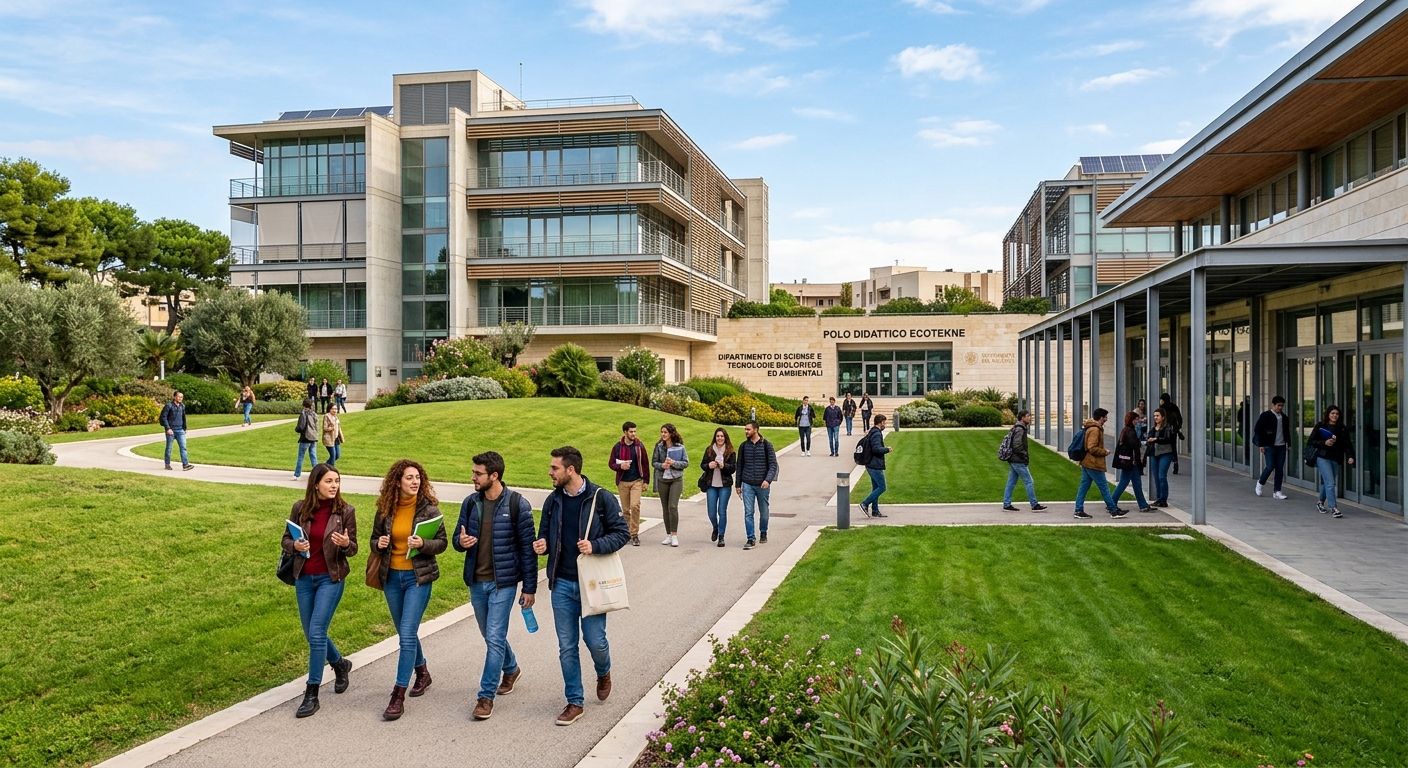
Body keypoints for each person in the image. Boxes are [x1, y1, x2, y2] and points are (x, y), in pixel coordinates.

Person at [531, 446, 630, 726]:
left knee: (595, 641)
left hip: (592, 584)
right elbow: (545, 533)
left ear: (570, 470)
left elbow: (622, 533)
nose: (550, 472)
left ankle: (604, 671)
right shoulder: (553, 501)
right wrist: (543, 545)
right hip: (561, 584)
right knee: (566, 646)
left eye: (554, 468)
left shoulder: (600, 498)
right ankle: (575, 701)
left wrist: (595, 545)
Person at [452, 451, 536, 721]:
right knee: (490, 636)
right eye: (473, 472)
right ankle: (511, 668)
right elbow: (457, 537)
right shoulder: (470, 503)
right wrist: (460, 543)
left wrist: (530, 588)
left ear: (494, 476)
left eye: (478, 473)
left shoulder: (517, 504)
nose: (473, 477)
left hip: (504, 583)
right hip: (477, 581)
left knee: (495, 637)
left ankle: (485, 696)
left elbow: (528, 550)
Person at [369, 459, 447, 720]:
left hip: (418, 579)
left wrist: (423, 542)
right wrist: (379, 543)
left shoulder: (429, 510)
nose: (415, 482)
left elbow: (442, 543)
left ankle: (397, 695)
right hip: (391, 577)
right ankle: (423, 672)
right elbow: (372, 541)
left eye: (417, 478)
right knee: (406, 632)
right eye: (409, 478)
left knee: (406, 635)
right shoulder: (385, 509)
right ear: (397, 482)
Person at [282, 463, 357, 718]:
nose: (334, 485)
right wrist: (295, 544)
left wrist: (346, 543)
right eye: (328, 481)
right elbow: (285, 539)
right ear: (316, 484)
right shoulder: (300, 508)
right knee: (312, 634)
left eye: (336, 481)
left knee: (316, 632)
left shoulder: (346, 511)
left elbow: (353, 548)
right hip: (304, 578)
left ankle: (311, 693)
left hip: (330, 578)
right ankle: (339, 664)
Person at [1074, 408, 1127, 520]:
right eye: (1105, 417)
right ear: (1101, 417)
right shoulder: (1095, 430)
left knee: (1083, 487)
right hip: (1093, 463)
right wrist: (1104, 452)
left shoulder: (1091, 427)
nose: (1107, 419)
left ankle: (1078, 510)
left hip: (1087, 462)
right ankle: (1113, 510)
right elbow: (1091, 447)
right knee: (1104, 488)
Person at [734, 421, 778, 550]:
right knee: (748, 512)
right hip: (747, 483)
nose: (746, 432)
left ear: (756, 430)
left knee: (764, 512)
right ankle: (750, 538)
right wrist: (738, 485)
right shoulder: (743, 446)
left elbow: (773, 465)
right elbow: (739, 466)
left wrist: (768, 480)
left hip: (762, 484)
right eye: (745, 429)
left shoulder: (766, 445)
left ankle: (763, 531)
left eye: (748, 429)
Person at [1308, 404, 1355, 518]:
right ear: (1328, 414)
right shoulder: (1321, 426)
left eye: (1337, 414)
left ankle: (1320, 502)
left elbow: (1347, 444)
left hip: (1335, 457)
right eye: (1332, 413)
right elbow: (1312, 441)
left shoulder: (1342, 428)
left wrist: (1350, 456)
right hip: (1322, 457)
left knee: (1327, 482)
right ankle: (1334, 508)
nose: (1335, 415)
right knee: (1330, 483)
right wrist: (1324, 443)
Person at [608, 421, 649, 547]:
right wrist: (621, 466)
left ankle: (634, 534)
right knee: (625, 510)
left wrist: (646, 481)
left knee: (635, 505)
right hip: (623, 481)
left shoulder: (639, 446)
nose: (633, 434)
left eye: (635, 431)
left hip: (637, 480)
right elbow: (611, 464)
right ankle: (626, 534)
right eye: (631, 431)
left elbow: (645, 464)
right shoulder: (618, 447)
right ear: (625, 432)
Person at [1000, 410, 1046, 512]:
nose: (1029, 418)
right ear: (1022, 418)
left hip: (1013, 459)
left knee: (1011, 482)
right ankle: (1034, 504)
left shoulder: (1017, 428)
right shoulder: (1020, 429)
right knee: (1029, 481)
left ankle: (1006, 504)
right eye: (1027, 416)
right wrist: (1024, 456)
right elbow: (1017, 445)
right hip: (1018, 460)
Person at [651, 423, 689, 547]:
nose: (663, 434)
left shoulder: (680, 447)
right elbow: (654, 462)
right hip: (663, 479)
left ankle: (674, 535)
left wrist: (674, 463)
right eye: (662, 432)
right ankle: (668, 534)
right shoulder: (659, 446)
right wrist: (662, 465)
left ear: (671, 433)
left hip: (676, 479)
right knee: (665, 508)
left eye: (665, 432)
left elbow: (685, 463)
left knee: (673, 506)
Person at [1111, 411, 1153, 513]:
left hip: (1130, 463)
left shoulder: (1127, 430)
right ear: (1132, 420)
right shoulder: (1130, 431)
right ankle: (1111, 503)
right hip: (1130, 462)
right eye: (1136, 419)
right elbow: (1135, 445)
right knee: (1123, 483)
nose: (1137, 421)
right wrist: (1143, 443)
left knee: (1137, 483)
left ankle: (1143, 505)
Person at [700, 427, 735, 548]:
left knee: (722, 511)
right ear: (715, 438)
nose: (720, 438)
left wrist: (723, 466)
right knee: (711, 512)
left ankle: (721, 536)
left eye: (722, 436)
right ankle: (715, 526)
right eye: (718, 436)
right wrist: (709, 465)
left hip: (724, 485)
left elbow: (732, 468)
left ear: (725, 438)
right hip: (711, 485)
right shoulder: (709, 450)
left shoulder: (730, 451)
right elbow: (702, 465)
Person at [1253, 396, 1291, 499]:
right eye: (1278, 405)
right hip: (1269, 445)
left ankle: (1277, 491)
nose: (1280, 407)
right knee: (1270, 466)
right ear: (1272, 405)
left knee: (1279, 468)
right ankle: (1260, 483)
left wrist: (1289, 444)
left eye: (1282, 406)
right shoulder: (1265, 416)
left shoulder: (1284, 417)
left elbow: (1287, 431)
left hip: (1281, 446)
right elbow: (1258, 430)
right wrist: (1261, 444)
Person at [858, 414, 894, 518]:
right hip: (875, 465)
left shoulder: (873, 431)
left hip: (871, 464)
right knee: (882, 487)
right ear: (880, 422)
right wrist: (887, 449)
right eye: (884, 422)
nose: (885, 424)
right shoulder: (876, 434)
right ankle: (864, 504)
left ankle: (875, 510)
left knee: (876, 488)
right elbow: (876, 448)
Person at [1145, 408, 1176, 507]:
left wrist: (1156, 439)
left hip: (1166, 453)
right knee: (1156, 477)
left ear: (1163, 417)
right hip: (1155, 454)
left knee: (1162, 476)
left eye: (1157, 416)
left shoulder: (1168, 428)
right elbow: (1148, 439)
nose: (1155, 418)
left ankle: (1163, 499)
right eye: (1154, 416)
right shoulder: (1153, 429)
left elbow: (1168, 439)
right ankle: (1158, 498)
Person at [160, 391, 192, 471]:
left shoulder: (182, 406)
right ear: (174, 397)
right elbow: (163, 418)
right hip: (171, 430)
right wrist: (168, 428)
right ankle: (167, 464)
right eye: (179, 397)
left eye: (181, 397)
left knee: (183, 447)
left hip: (180, 430)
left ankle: (185, 465)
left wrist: (184, 428)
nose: (180, 398)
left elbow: (183, 417)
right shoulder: (169, 406)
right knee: (169, 448)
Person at [294, 399, 320, 479]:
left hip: (305, 437)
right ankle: (317, 474)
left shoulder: (303, 413)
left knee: (301, 456)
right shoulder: (314, 414)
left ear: (303, 405)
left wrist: (297, 429)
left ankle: (297, 474)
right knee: (313, 456)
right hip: (314, 437)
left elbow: (301, 426)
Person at [1160, 394, 1184, 475]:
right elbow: (1179, 418)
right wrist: (1178, 428)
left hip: (1165, 430)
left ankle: (1164, 463)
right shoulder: (1174, 407)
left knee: (1164, 446)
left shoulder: (1162, 408)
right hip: (1174, 430)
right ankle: (1175, 463)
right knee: (1173, 447)